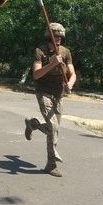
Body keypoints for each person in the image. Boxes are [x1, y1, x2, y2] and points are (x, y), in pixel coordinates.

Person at [24, 22, 76, 177]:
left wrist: (70, 84)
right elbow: (36, 74)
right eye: (55, 36)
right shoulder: (40, 51)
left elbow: (72, 73)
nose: (58, 39)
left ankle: (33, 124)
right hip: (43, 92)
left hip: (58, 94)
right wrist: (52, 63)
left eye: (60, 36)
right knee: (53, 127)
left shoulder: (65, 52)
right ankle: (51, 165)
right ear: (49, 36)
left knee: (54, 130)